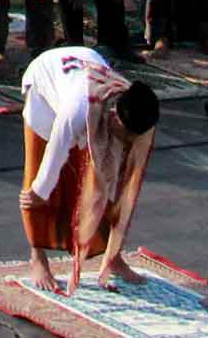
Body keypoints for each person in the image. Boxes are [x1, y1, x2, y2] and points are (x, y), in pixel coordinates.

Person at [18, 46, 161, 294]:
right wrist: (40, 191)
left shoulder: (134, 104)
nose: (129, 142)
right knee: (37, 181)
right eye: (127, 135)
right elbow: (56, 150)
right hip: (44, 87)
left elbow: (124, 180)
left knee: (105, 185)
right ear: (115, 118)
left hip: (85, 63)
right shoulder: (76, 110)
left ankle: (113, 256)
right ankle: (37, 257)